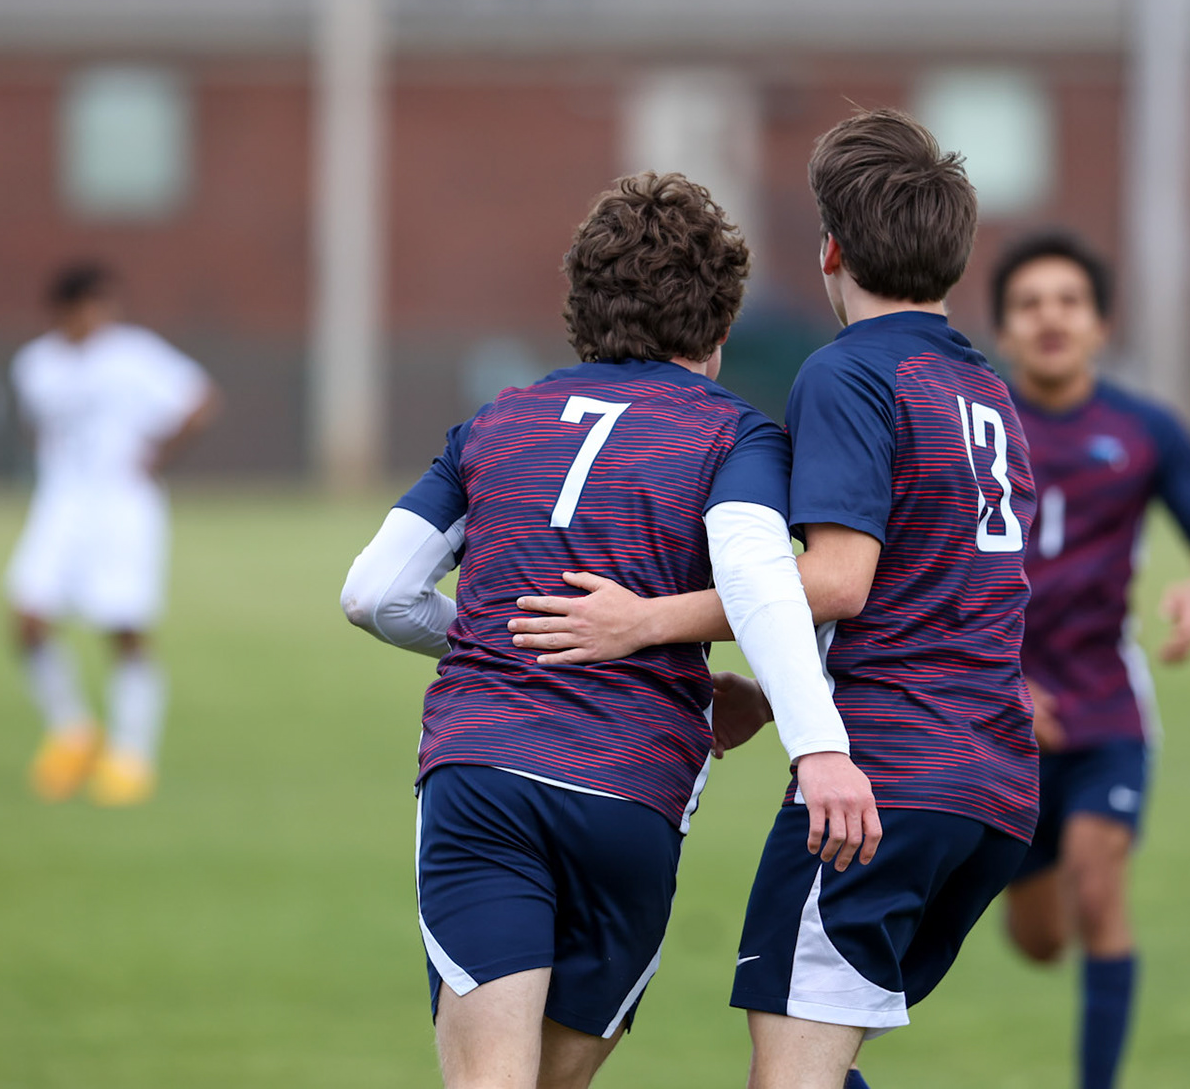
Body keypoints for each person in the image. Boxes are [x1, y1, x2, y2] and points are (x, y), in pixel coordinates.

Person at [506, 110, 1040, 1089]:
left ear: (831, 247)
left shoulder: (848, 372)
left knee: (790, 1073)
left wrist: (646, 618)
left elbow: (839, 577)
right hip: (993, 790)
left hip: (884, 779)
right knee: (820, 1062)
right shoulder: (988, 391)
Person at [337, 172, 878, 1089]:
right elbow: (756, 580)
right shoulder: (738, 437)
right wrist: (814, 741)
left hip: (484, 782)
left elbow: (374, 591)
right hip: (627, 797)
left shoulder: (495, 422)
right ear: (719, 326)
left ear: (581, 308)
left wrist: (500, 639)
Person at [990, 230, 1190, 1089]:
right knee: (1039, 940)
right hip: (997, 711)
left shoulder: (1145, 431)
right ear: (1004, 331)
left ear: (1101, 324)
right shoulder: (980, 432)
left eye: (1069, 301)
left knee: (1098, 893)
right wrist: (1002, 680)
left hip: (1105, 706)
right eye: (1029, 304)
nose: (1050, 317)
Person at [6, 262, 219, 807]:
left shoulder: (132, 356)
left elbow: (200, 400)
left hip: (123, 506)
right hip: (61, 504)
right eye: (91, 306)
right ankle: (73, 731)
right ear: (64, 311)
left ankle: (131, 754)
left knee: (124, 626)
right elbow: (41, 428)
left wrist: (159, 455)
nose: (102, 317)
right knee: (27, 619)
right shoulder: (33, 366)